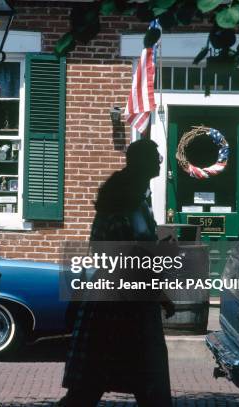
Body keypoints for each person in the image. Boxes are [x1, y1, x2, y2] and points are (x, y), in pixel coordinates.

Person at [61, 139, 175, 407]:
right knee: (142, 383)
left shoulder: (132, 199)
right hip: (121, 309)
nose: (159, 162)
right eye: (155, 158)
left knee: (92, 384)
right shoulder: (127, 206)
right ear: (143, 163)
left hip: (113, 305)